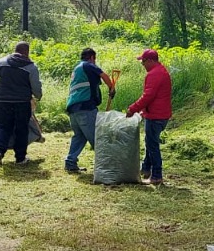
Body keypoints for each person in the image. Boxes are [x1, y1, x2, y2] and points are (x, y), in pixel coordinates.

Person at [0, 41, 43, 167]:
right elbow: (36, 87)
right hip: (22, 102)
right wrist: (38, 96)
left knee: (3, 127)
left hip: (4, 101)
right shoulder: (31, 67)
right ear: (27, 52)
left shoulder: (2, 62)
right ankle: (20, 158)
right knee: (21, 129)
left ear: (15, 49)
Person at [64, 47, 117, 173]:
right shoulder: (88, 65)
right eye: (95, 59)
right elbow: (104, 75)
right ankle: (106, 166)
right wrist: (111, 88)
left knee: (80, 136)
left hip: (73, 109)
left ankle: (70, 162)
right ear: (92, 57)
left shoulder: (77, 69)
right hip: (85, 108)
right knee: (97, 137)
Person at [125, 48, 172, 185]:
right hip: (160, 113)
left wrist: (133, 109)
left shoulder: (154, 74)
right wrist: (143, 111)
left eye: (143, 62)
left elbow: (148, 96)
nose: (143, 65)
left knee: (152, 145)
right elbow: (155, 96)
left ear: (151, 60)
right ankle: (146, 169)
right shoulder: (161, 71)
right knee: (149, 142)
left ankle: (156, 176)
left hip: (156, 115)